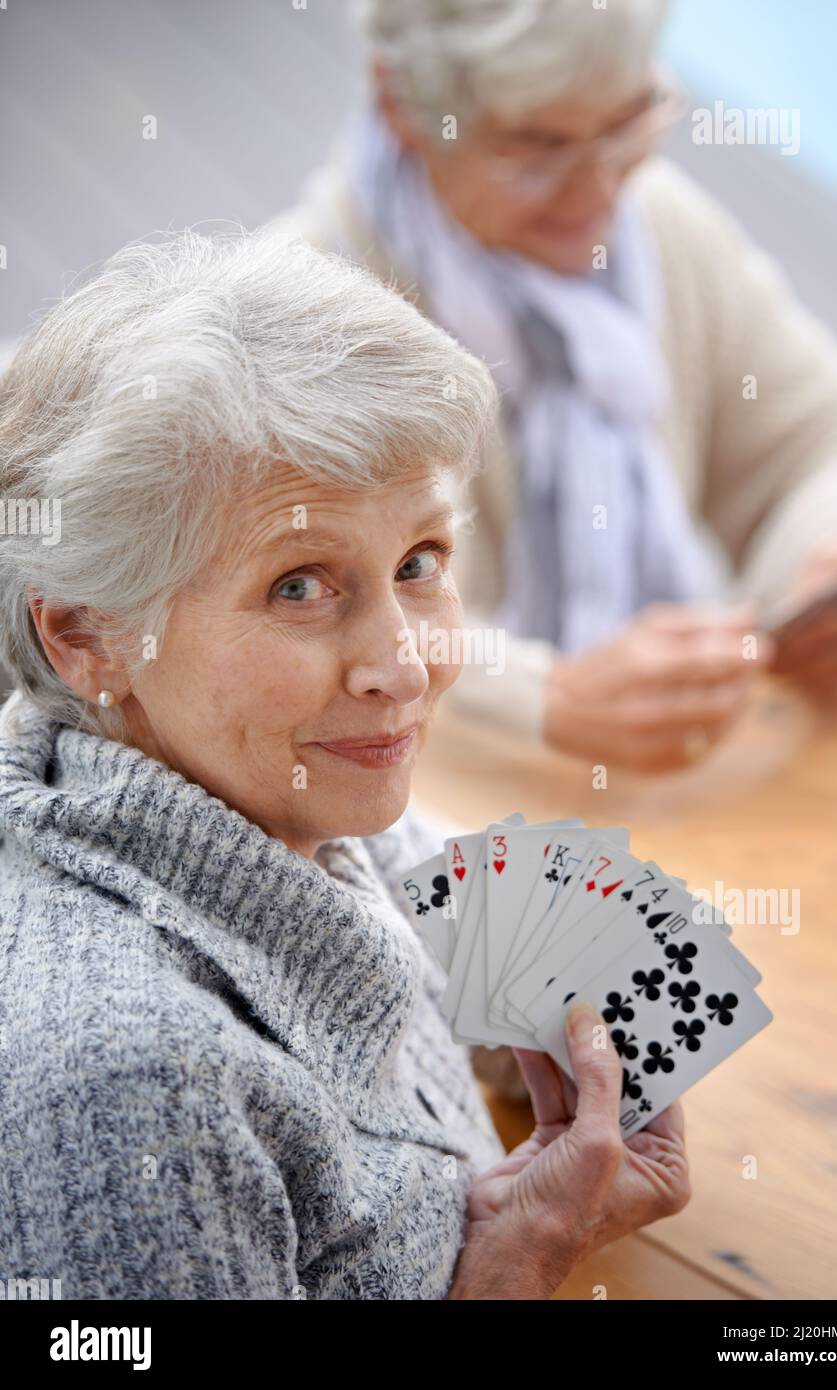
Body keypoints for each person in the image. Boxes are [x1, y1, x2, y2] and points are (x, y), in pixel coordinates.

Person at [0, 228, 689, 1300]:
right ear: (86, 636)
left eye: (418, 562)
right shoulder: (131, 1085)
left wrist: (604, 1032)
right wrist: (510, 1269)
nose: (403, 667)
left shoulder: (265, 795)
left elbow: (567, 953)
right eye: (299, 585)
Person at [268, 0, 837, 774]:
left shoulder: (659, 225)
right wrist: (548, 702)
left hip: (680, 786)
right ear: (403, 104)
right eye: (537, 148)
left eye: (629, 126)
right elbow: (307, 639)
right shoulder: (294, 330)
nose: (597, 193)